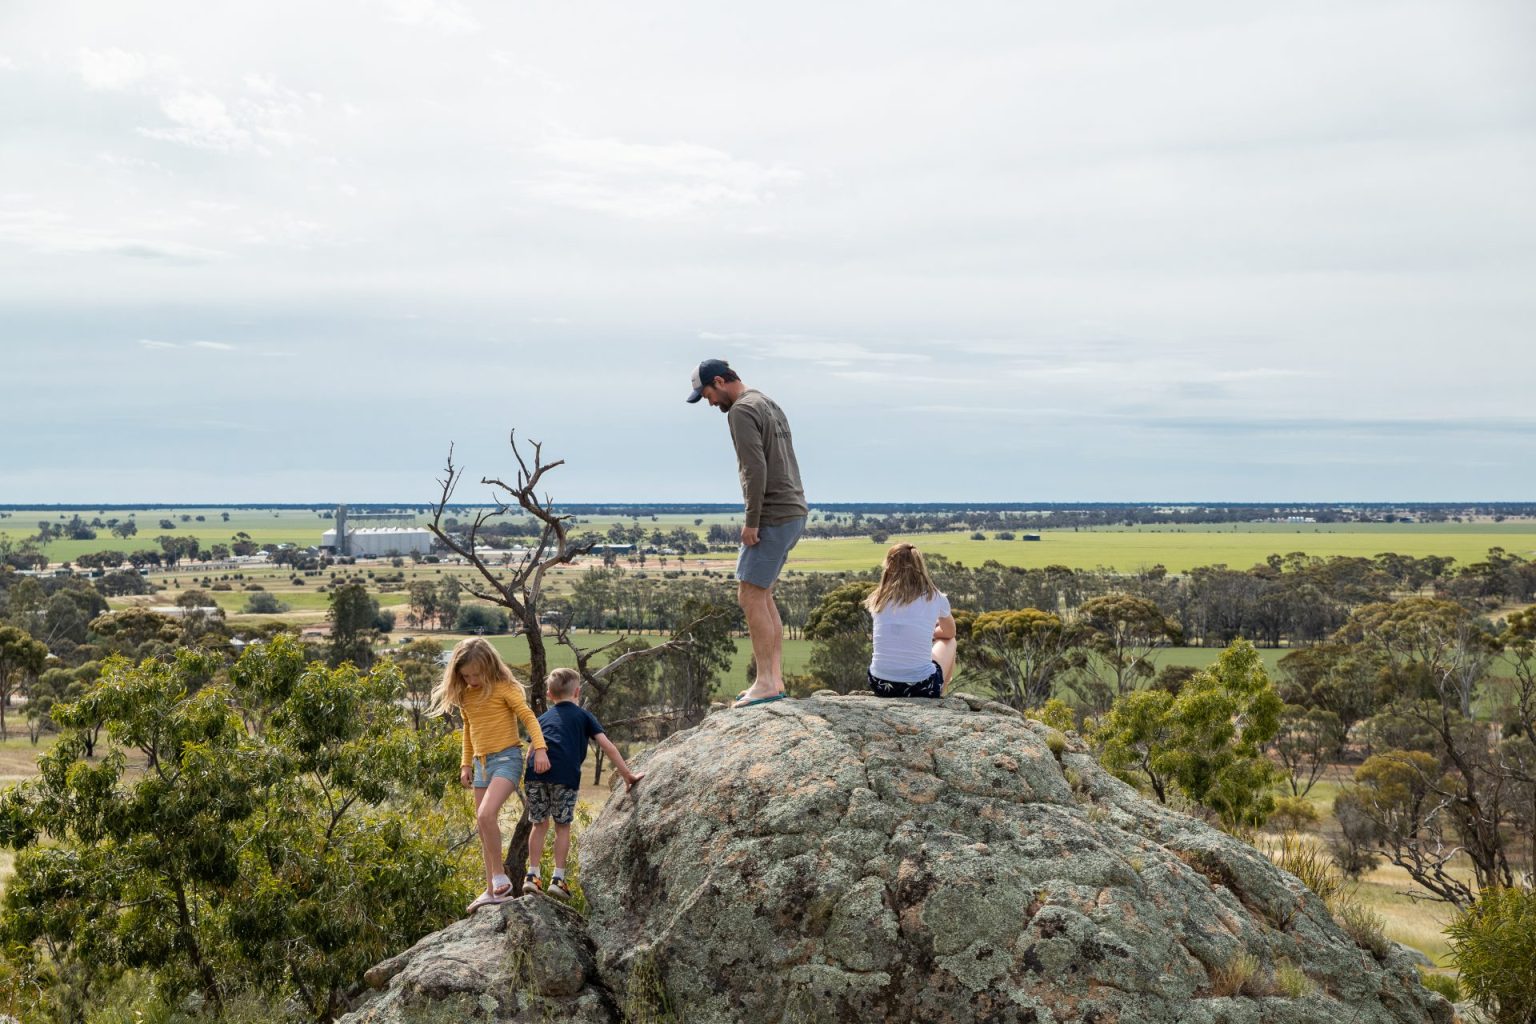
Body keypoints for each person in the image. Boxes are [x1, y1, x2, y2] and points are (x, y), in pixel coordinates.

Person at [687, 358, 807, 708]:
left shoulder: (741, 411)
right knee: (762, 594)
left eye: (707, 394)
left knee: (750, 595)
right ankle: (773, 678)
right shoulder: (767, 402)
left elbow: (755, 469)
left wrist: (752, 521)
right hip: (793, 509)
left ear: (721, 381)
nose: (709, 403)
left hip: (773, 513)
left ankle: (767, 682)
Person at [427, 637, 551, 912]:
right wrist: (465, 765)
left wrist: (540, 748)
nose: (471, 679)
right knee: (484, 830)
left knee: (486, 815)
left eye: (475, 674)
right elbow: (468, 732)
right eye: (465, 675)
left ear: (489, 666)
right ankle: (493, 891)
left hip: (507, 759)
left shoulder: (503, 688)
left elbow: (528, 717)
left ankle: (499, 877)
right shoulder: (465, 695)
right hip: (480, 764)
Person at [522, 667, 644, 900]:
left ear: (549, 695)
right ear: (577, 691)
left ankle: (532, 875)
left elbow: (530, 752)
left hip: (536, 775)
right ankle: (558, 878)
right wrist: (627, 775)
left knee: (538, 824)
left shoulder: (542, 718)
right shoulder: (584, 716)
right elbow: (607, 746)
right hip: (565, 775)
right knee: (562, 826)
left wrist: (528, 781)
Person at [865, 542, 957, 698]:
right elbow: (949, 633)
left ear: (888, 566)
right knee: (951, 642)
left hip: (879, 684)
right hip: (920, 686)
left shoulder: (878, 598)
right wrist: (930, 632)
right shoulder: (935, 597)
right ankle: (941, 694)